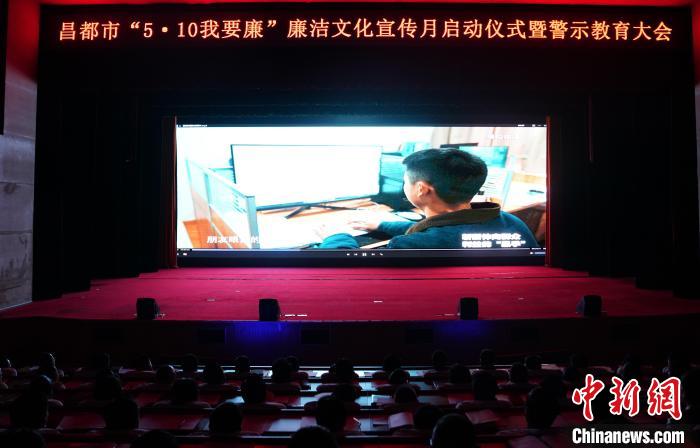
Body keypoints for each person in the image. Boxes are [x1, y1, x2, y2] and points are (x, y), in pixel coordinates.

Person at [317, 148, 538, 249]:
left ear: (422, 189)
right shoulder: (511, 222)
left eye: (406, 181)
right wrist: (382, 224)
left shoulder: (412, 245)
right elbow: (444, 230)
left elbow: (351, 273)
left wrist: (336, 236)